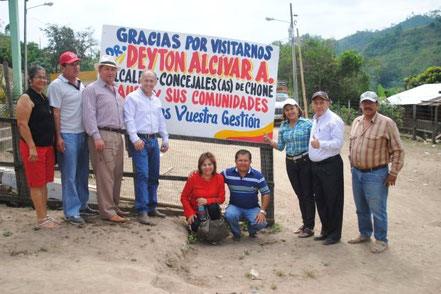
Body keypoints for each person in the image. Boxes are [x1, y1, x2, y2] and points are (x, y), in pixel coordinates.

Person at [348, 91, 405, 253]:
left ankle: (381, 240)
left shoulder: (387, 123)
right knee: (361, 207)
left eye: (371, 103)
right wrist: (352, 164)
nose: (367, 105)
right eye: (364, 103)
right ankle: (364, 233)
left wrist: (393, 172)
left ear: (377, 105)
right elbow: (351, 146)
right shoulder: (356, 121)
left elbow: (398, 150)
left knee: (378, 209)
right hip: (357, 172)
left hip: (376, 173)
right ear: (360, 105)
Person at [48, 51, 97, 226]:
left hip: (82, 133)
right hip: (67, 134)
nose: (76, 67)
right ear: (63, 67)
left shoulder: (80, 84)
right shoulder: (56, 86)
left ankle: (82, 204)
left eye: (77, 63)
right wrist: (58, 137)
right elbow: (56, 112)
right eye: (72, 64)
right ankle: (71, 211)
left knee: (82, 172)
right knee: (69, 174)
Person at [82, 55, 128, 223]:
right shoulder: (92, 89)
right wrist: (96, 136)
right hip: (102, 134)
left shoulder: (116, 90)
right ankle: (107, 211)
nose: (110, 72)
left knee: (116, 173)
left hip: (117, 134)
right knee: (105, 174)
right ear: (99, 70)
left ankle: (114, 206)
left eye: (113, 69)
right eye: (106, 69)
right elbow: (88, 115)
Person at [16, 66, 60, 229]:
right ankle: (41, 219)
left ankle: (45, 215)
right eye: (39, 77)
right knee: (36, 183)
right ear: (30, 79)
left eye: (44, 77)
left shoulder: (43, 97)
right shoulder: (26, 98)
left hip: (47, 147)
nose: (42, 80)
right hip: (33, 148)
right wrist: (32, 147)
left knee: (43, 183)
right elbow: (22, 124)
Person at [263, 99, 315, 238]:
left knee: (308, 195)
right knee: (300, 194)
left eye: (292, 108)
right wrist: (269, 142)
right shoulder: (284, 127)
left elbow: (315, 140)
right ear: (284, 113)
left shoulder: (308, 124)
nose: (290, 112)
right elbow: (281, 147)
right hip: (291, 163)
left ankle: (310, 227)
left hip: (305, 161)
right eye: (287, 110)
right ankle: (305, 223)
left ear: (298, 109)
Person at [123, 70, 169, 225]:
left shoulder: (156, 100)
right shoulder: (132, 98)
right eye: (146, 80)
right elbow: (129, 120)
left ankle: (151, 207)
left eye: (152, 81)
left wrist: (165, 139)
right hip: (140, 141)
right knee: (142, 174)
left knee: (154, 175)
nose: (149, 83)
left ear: (155, 82)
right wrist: (135, 139)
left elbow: (161, 120)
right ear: (140, 81)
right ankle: (142, 210)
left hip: (153, 140)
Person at [308, 91, 345, 245]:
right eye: (316, 103)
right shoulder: (316, 119)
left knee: (333, 200)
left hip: (330, 165)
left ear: (328, 103)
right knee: (321, 200)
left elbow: (338, 143)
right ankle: (325, 230)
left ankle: (334, 234)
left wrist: (320, 144)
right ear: (312, 105)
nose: (318, 106)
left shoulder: (334, 120)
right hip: (316, 166)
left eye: (321, 102)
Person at [223, 149, 271, 240]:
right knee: (229, 215)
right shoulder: (227, 173)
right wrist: (197, 173)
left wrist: (262, 211)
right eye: (240, 160)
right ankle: (236, 234)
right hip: (235, 206)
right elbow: (213, 177)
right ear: (236, 161)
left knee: (262, 223)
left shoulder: (258, 176)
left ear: (250, 162)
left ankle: (252, 231)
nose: (243, 163)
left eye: (246, 160)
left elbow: (266, 193)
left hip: (252, 208)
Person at [181, 152, 225, 232]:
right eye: (204, 165)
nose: (207, 167)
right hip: (196, 210)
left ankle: (215, 226)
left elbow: (221, 199)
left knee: (213, 206)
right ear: (200, 166)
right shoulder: (193, 178)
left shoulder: (219, 178)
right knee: (196, 226)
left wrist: (207, 201)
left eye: (210, 164)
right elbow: (184, 197)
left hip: (212, 211)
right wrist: (190, 212)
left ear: (214, 165)